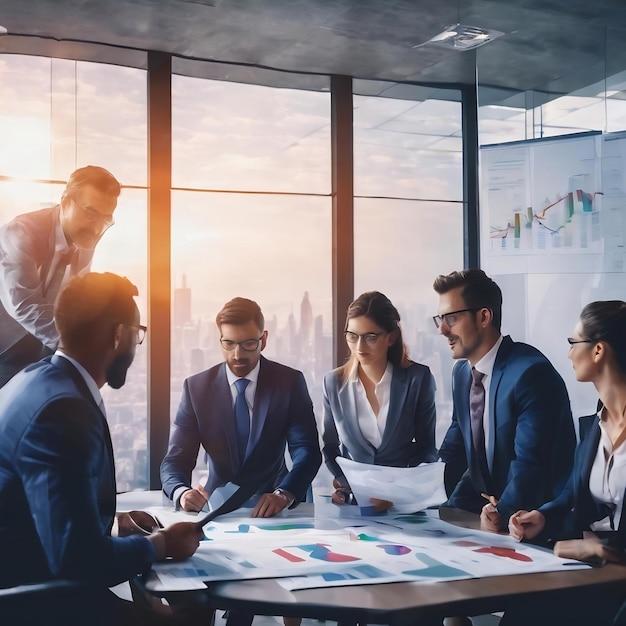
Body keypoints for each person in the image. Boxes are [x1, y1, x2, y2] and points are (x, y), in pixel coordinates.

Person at [0, 272, 203, 625]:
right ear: (118, 334)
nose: (136, 346)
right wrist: (163, 545)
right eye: (138, 335)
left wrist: (110, 523)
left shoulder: (36, 380)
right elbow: (76, 559)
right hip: (37, 601)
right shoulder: (64, 410)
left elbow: (41, 504)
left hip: (32, 576)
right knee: (190, 614)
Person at [160, 296, 321, 626]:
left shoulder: (289, 382)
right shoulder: (197, 388)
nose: (237, 355)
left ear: (263, 339)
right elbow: (174, 461)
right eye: (229, 344)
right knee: (205, 602)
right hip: (218, 510)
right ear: (219, 340)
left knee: (268, 601)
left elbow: (307, 450)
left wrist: (284, 493)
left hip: (275, 507)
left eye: (248, 344)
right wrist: (180, 492)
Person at [505, 301, 626, 626]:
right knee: (521, 611)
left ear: (598, 350)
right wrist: (543, 517)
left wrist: (608, 553)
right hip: (592, 573)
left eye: (574, 343)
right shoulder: (593, 427)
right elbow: (574, 496)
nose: (569, 354)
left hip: (617, 583)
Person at [434, 269, 575, 532]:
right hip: (489, 511)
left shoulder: (529, 373)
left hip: (536, 521)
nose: (442, 329)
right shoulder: (463, 374)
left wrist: (502, 513)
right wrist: (410, 490)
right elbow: (453, 452)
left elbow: (530, 466)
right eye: (440, 319)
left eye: (451, 318)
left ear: (484, 316)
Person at [0, 165, 121, 388]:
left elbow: (74, 297)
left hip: (43, 343)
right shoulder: (20, 233)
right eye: (91, 213)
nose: (97, 229)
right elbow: (24, 305)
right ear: (65, 202)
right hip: (5, 346)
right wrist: (77, 347)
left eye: (105, 219)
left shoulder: (85, 237)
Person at [322, 290, 437, 511]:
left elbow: (427, 449)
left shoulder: (417, 379)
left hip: (403, 504)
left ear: (391, 337)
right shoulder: (333, 383)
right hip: (354, 505)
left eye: (370, 337)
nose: (359, 346)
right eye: (352, 335)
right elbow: (330, 447)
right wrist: (345, 483)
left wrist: (395, 492)